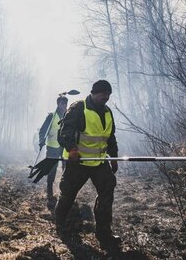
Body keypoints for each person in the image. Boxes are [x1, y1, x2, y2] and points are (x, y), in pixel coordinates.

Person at [55, 80, 120, 251]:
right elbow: (64, 132)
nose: (106, 97)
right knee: (68, 194)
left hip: (99, 162)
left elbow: (110, 137)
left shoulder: (108, 112)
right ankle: (60, 225)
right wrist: (72, 149)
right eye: (103, 94)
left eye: (108, 94)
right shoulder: (78, 108)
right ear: (93, 93)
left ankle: (104, 232)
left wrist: (113, 157)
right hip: (79, 162)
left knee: (107, 190)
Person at [39, 96, 68, 206]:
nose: (64, 106)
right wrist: (42, 140)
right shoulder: (51, 116)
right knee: (52, 169)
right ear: (58, 104)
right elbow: (42, 131)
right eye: (62, 103)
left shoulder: (68, 116)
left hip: (65, 147)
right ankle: (50, 191)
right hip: (52, 147)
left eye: (65, 103)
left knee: (67, 169)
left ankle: (64, 192)